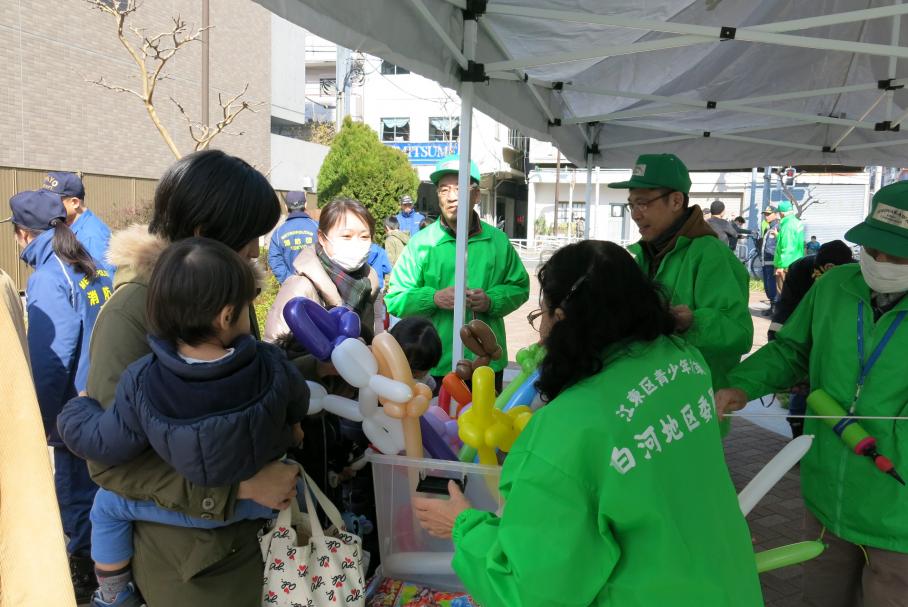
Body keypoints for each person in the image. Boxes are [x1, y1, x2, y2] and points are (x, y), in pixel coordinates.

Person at [412, 240, 762, 607]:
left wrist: (462, 526)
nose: (541, 329)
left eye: (542, 314)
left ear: (562, 320)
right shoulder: (684, 362)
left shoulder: (565, 431)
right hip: (724, 583)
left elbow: (528, 590)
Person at [84, 149, 298, 607]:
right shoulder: (132, 313)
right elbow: (108, 463)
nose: (257, 250)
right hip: (191, 569)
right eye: (250, 236)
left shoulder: (221, 291)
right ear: (204, 233)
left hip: (247, 547)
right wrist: (238, 487)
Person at [716, 181, 908, 607]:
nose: (880, 262)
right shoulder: (835, 286)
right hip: (827, 498)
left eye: (897, 253)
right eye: (874, 249)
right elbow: (791, 351)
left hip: (898, 513)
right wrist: (740, 386)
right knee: (821, 597)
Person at [3, 189, 114, 603]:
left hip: (72, 415)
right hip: (104, 405)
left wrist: (40, 426)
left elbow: (52, 364)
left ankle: (83, 580)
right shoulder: (92, 265)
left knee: (77, 501)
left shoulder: (49, 278)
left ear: (21, 234)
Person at [608, 154, 752, 403]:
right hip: (651, 395)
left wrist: (692, 322)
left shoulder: (710, 254)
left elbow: (739, 333)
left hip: (694, 405)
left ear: (676, 200)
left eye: (643, 203)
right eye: (631, 204)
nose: (635, 214)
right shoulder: (645, 255)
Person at [386, 154, 530, 392]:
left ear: (475, 194)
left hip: (486, 360)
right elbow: (395, 297)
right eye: (444, 190)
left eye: (460, 188)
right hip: (434, 361)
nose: (452, 197)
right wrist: (433, 298)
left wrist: (491, 300)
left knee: (484, 426)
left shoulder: (497, 241)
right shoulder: (421, 243)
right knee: (434, 426)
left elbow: (520, 287)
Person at [765, 240, 854, 438]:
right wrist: (775, 340)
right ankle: (798, 431)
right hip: (804, 331)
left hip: (839, 335)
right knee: (802, 388)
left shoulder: (856, 273)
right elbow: (785, 308)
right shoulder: (800, 270)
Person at [264, 197, 380, 344]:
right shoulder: (299, 288)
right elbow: (274, 351)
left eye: (364, 236)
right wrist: (319, 363)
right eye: (346, 236)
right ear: (322, 238)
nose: (356, 243)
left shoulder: (370, 286)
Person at [43, 171, 114, 275]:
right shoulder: (70, 226)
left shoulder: (92, 237)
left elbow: (104, 283)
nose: (47, 205)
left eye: (53, 201)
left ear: (74, 203)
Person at [268, 190, 318, 284]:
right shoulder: (318, 227)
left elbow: (274, 261)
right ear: (305, 205)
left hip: (292, 290)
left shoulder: (278, 233)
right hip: (318, 288)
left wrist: (290, 281)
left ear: (286, 207)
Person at [389, 316, 442, 392]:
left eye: (415, 373)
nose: (410, 375)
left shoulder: (427, 383)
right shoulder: (383, 373)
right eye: (409, 369)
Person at [773, 200, 805, 297]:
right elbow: (793, 242)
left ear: (782, 213)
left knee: (783, 294)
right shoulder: (797, 222)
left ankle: (785, 312)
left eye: (779, 212)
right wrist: (778, 236)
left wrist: (781, 266)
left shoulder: (787, 225)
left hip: (786, 265)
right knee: (793, 293)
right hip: (796, 262)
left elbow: (787, 246)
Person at [368, 242, 393, 335]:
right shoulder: (380, 251)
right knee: (378, 316)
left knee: (364, 315)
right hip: (378, 287)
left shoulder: (360, 250)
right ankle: (379, 340)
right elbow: (387, 269)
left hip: (363, 286)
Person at [760, 206, 781, 316]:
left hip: (773, 262)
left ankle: (775, 308)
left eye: (768, 214)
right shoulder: (768, 228)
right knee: (767, 285)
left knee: (772, 284)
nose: (766, 216)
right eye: (765, 214)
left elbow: (781, 242)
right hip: (765, 261)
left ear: (775, 214)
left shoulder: (778, 227)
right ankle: (772, 306)